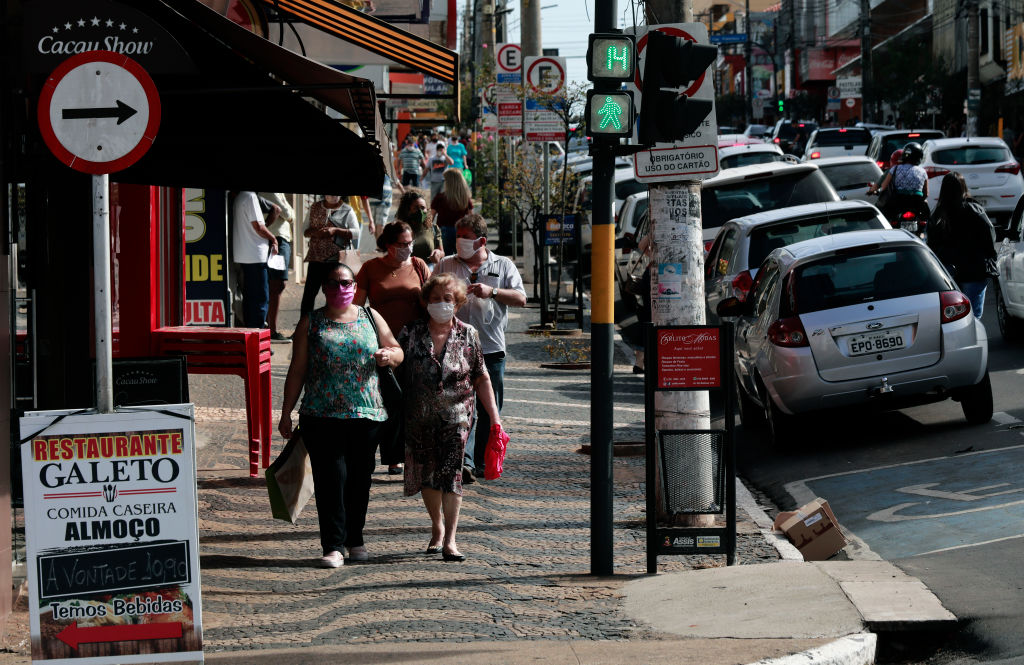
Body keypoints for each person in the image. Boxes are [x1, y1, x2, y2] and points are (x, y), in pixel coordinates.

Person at [278, 261, 404, 567]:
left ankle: (355, 539)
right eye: (333, 283)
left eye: (346, 283)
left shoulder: (370, 317)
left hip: (367, 414)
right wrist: (285, 413)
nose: (341, 289)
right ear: (323, 288)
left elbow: (398, 350)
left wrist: (389, 356)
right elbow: (297, 371)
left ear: (354, 286)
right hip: (321, 415)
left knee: (360, 481)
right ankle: (333, 545)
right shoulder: (311, 322)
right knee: (331, 479)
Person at [398, 273, 501, 561]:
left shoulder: (468, 333)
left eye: (447, 299)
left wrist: (494, 417)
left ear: (456, 303)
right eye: (435, 299)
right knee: (428, 475)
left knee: (453, 473)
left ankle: (451, 540)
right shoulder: (410, 332)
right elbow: (395, 369)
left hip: (458, 415)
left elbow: (481, 377)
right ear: (425, 302)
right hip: (418, 416)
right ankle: (437, 526)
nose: (441, 304)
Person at [436, 214, 526, 483]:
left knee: (489, 407)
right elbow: (428, 294)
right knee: (461, 406)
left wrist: (493, 292)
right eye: (458, 235)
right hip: (454, 346)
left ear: (481, 241)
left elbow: (521, 298)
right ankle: (465, 461)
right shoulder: (446, 264)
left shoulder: (503, 265)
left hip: (491, 348)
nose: (459, 241)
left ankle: (485, 461)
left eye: (465, 236)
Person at [354, 221, 431, 474]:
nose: (408, 248)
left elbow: (434, 298)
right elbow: (357, 306)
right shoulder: (370, 268)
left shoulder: (418, 266)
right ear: (388, 245)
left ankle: (411, 453)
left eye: (410, 243)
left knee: (412, 399)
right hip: (382, 344)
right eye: (402, 244)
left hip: (415, 343)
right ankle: (392, 455)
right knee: (388, 398)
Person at [927, 172, 997, 318]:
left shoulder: (937, 214)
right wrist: (991, 255)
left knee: (955, 318)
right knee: (974, 315)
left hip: (948, 273)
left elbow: (931, 246)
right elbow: (989, 233)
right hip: (975, 268)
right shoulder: (974, 209)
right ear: (963, 187)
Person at [301, 195, 359, 316]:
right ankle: (304, 327)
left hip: (336, 260)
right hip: (316, 258)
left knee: (335, 294)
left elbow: (356, 233)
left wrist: (336, 230)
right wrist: (316, 233)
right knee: (309, 295)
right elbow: (305, 231)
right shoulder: (315, 207)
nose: (332, 196)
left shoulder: (346, 209)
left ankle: (335, 323)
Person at [232, 191, 278, 328]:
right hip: (255, 255)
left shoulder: (240, 196)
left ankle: (251, 334)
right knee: (260, 299)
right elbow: (258, 226)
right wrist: (273, 238)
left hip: (246, 254)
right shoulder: (250, 196)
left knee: (251, 299)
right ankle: (257, 338)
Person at [259, 192, 295, 342]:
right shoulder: (271, 192)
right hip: (277, 239)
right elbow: (288, 213)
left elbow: (291, 214)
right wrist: (287, 212)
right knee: (277, 283)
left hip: (281, 238)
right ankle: (271, 330)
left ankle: (269, 328)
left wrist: (288, 213)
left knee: (276, 284)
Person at [876, 142, 929, 223]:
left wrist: (879, 191)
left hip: (898, 203)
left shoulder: (895, 169)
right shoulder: (923, 171)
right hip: (916, 203)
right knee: (926, 219)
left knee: (886, 219)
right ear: (920, 157)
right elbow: (926, 194)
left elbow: (883, 186)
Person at [395, 190, 444, 270]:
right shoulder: (399, 229)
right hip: (405, 271)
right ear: (407, 210)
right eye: (416, 208)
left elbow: (442, 252)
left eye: (423, 208)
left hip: (428, 272)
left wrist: (438, 253)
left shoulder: (433, 228)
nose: (420, 212)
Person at [430, 169, 474, 255]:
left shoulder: (440, 198)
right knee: (462, 259)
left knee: (445, 260)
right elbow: (471, 219)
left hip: (443, 232)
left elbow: (430, 217)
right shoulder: (465, 199)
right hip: (461, 232)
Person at [369, 174, 394, 239]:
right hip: (373, 200)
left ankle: (380, 247)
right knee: (376, 225)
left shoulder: (387, 169)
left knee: (379, 225)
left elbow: (396, 180)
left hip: (383, 200)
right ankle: (379, 245)